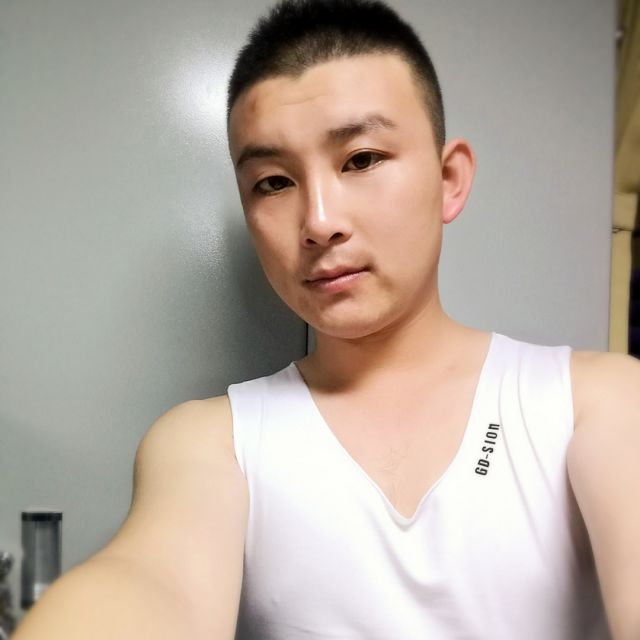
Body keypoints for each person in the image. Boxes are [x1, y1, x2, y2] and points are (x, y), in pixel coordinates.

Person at [14, 1, 640, 639]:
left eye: (361, 159)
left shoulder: (597, 402)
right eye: (273, 183)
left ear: (449, 179)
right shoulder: (212, 443)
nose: (318, 222)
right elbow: (149, 583)